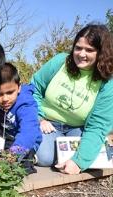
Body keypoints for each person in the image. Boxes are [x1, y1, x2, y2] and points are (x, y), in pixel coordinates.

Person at [31, 24, 113, 174]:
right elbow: (33, 89)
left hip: (79, 129)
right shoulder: (60, 62)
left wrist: (79, 162)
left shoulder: (107, 83)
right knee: (44, 157)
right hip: (47, 123)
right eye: (78, 47)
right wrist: (39, 117)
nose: (81, 54)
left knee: (80, 156)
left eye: (89, 50)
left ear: (101, 53)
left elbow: (98, 125)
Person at [0, 63, 42, 161]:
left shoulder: (25, 103)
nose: (5, 99)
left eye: (10, 92)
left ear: (19, 88)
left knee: (22, 163)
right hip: (4, 138)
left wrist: (12, 155)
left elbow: (28, 132)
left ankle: (30, 158)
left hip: (26, 141)